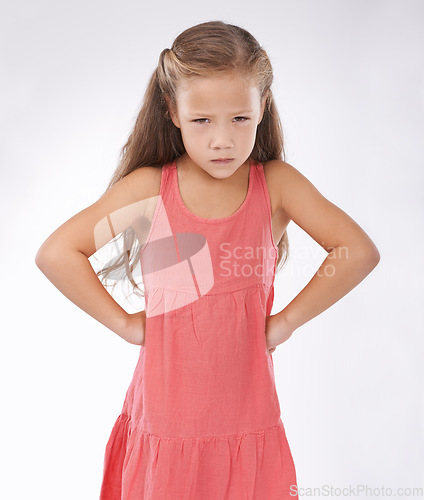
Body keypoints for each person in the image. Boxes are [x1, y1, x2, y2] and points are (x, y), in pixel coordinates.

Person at [35, 20, 380, 500]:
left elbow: (356, 250)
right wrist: (126, 325)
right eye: (202, 120)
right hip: (166, 417)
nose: (223, 140)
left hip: (248, 415)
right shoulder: (151, 189)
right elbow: (57, 253)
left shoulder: (275, 185)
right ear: (173, 112)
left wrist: (284, 323)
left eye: (240, 118)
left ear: (263, 106)